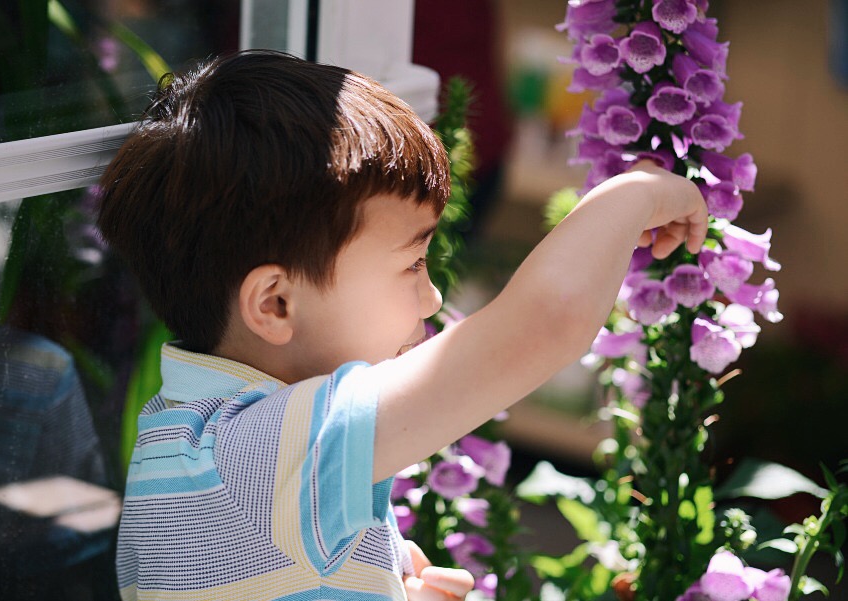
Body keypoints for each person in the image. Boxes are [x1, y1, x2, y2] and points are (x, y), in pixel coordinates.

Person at [97, 50, 707, 601]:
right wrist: (636, 193)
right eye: (413, 262)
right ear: (276, 304)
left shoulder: (187, 440)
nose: (432, 296)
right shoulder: (264, 456)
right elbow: (544, 325)